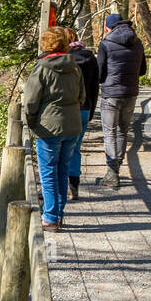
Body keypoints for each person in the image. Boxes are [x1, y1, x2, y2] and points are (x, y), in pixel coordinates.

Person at [23, 25, 86, 231]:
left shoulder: (42, 68)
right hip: (72, 125)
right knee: (62, 170)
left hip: (49, 128)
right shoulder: (75, 67)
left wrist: (32, 120)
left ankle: (50, 216)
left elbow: (31, 101)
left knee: (48, 172)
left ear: (46, 44)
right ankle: (58, 214)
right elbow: (81, 97)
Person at [96, 12, 145, 188]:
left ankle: (111, 172)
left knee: (109, 132)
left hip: (111, 93)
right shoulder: (138, 43)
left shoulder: (106, 44)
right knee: (122, 131)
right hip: (131, 93)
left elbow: (99, 72)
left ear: (108, 28)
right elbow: (143, 70)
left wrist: (103, 82)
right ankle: (117, 167)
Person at [62, 26, 100, 200]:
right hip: (84, 109)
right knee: (75, 149)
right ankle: (73, 186)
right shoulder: (90, 58)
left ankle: (57, 189)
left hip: (65, 111)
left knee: (58, 151)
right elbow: (94, 88)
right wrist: (91, 110)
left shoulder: (63, 59)